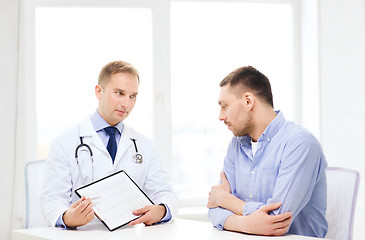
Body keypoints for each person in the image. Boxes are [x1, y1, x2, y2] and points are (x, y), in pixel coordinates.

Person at [41, 60, 177, 229]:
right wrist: (67, 217)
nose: (127, 104)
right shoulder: (64, 143)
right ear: (99, 92)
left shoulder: (145, 146)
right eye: (119, 93)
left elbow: (164, 193)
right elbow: (52, 199)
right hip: (82, 235)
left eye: (132, 96)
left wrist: (162, 211)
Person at [207, 66, 328, 238]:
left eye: (225, 106)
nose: (220, 116)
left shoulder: (300, 143)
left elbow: (276, 220)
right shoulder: (237, 145)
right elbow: (214, 208)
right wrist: (245, 224)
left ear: (248, 101)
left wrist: (226, 200)